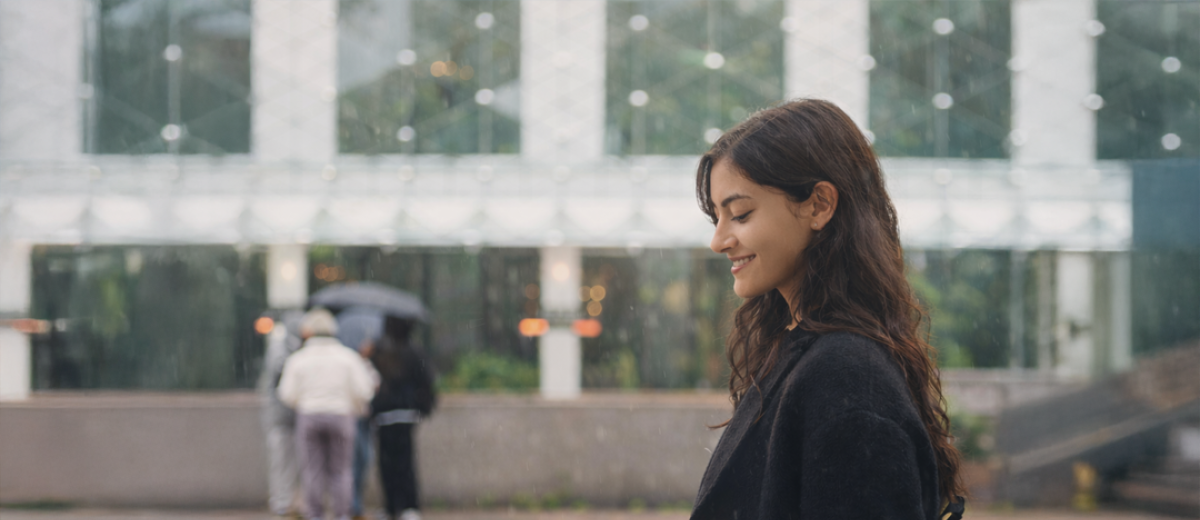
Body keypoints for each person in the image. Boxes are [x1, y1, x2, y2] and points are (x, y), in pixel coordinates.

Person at [690, 99, 965, 520]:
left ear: (819, 205)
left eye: (740, 214)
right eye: (717, 218)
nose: (719, 241)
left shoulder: (847, 376)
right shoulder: (802, 354)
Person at [278, 309, 378, 520]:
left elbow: (286, 394)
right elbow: (364, 391)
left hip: (309, 415)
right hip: (341, 416)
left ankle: (315, 514)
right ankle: (341, 514)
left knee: (312, 470)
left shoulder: (298, 359)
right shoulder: (348, 357)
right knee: (341, 470)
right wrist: (351, 405)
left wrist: (305, 402)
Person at [369, 316, 436, 520]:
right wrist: (423, 407)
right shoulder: (415, 351)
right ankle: (408, 506)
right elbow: (426, 382)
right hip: (406, 413)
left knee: (388, 464)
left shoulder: (380, 350)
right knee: (404, 463)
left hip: (386, 414)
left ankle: (393, 506)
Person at [334, 307, 384, 520]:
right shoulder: (350, 362)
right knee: (355, 461)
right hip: (352, 416)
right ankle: (351, 506)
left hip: (364, 418)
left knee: (361, 460)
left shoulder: (366, 363)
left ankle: (353, 505)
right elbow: (362, 390)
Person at [257, 310, 305, 518]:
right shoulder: (280, 346)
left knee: (299, 461)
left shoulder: (301, 346)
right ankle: (281, 501)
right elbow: (278, 374)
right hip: (279, 414)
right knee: (280, 458)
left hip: (298, 413)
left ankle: (294, 500)